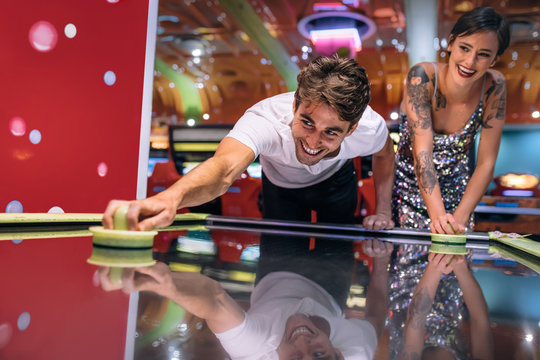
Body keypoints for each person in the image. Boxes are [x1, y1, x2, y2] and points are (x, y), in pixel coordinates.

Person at [103, 55, 395, 232]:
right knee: (280, 264)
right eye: (307, 122)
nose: (313, 142)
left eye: (331, 133)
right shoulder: (265, 119)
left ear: (352, 129)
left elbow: (385, 155)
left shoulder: (369, 127)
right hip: (281, 187)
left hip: (336, 184)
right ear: (294, 106)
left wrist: (383, 211)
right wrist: (170, 198)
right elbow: (223, 169)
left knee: (336, 263)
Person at [97, 238, 394, 359]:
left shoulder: (255, 350)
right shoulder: (357, 351)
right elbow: (376, 317)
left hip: (276, 268)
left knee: (288, 179)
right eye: (318, 355)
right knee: (334, 190)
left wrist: (167, 284)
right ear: (338, 355)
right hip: (331, 282)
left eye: (294, 359)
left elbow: (215, 299)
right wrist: (381, 262)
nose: (303, 342)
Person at [392, 6, 510, 234]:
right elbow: (422, 154)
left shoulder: (494, 86)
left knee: (455, 262)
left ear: (495, 59)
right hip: (409, 192)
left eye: (484, 54)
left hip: (461, 197)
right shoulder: (422, 77)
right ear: (451, 43)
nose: (470, 61)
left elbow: (486, 163)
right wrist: (438, 218)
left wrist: (460, 217)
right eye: (464, 48)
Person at [397, 253, 493, 360]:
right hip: (452, 284)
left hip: (407, 279)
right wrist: (460, 267)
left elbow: (415, 322)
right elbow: (480, 320)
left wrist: (436, 265)